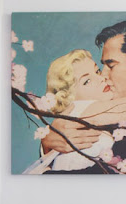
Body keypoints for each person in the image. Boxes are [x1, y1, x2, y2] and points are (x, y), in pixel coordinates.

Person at [41, 21, 126, 172]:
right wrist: (46, 144)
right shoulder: (87, 110)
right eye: (101, 68)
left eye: (111, 65)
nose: (103, 75)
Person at [24, 49, 126, 173]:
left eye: (97, 71)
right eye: (87, 81)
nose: (101, 78)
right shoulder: (81, 108)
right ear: (69, 98)